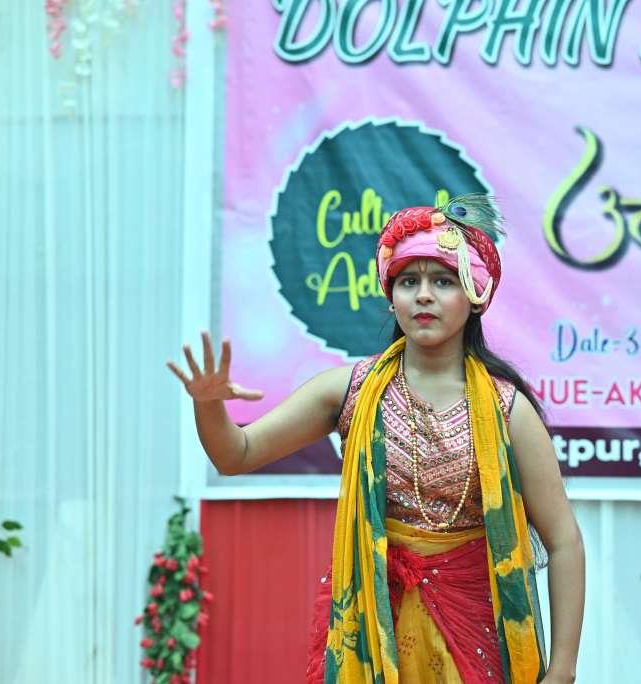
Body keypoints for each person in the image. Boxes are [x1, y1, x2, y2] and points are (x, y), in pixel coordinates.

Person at [167, 194, 585, 683]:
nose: (423, 295)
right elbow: (236, 454)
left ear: (475, 294)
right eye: (409, 282)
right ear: (391, 297)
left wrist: (562, 671)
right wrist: (208, 404)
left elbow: (564, 541)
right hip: (372, 628)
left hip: (478, 634)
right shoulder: (350, 391)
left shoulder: (507, 409)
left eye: (443, 281)